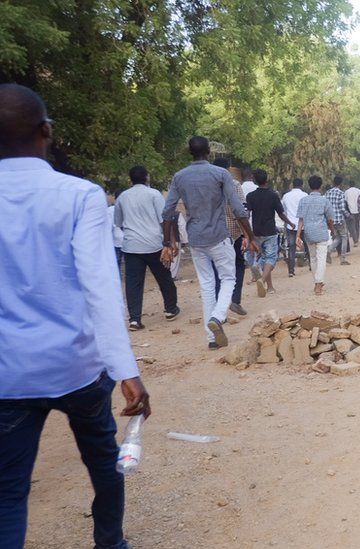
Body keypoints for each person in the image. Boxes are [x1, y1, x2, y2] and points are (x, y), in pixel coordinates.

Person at [0, 83, 152, 549]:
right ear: (46, 131)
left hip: (8, 375)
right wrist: (127, 371)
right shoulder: (81, 196)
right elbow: (101, 288)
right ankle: (111, 543)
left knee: (7, 493)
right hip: (79, 367)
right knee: (106, 464)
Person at [163, 136, 258, 350]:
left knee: (207, 286)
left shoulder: (179, 177)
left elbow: (167, 212)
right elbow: (237, 208)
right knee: (228, 278)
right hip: (218, 236)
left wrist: (166, 242)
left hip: (195, 239)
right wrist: (251, 236)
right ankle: (217, 317)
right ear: (209, 152)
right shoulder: (220, 173)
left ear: (190, 152)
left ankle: (212, 338)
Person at [114, 165, 180, 330]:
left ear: (131, 179)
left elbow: (118, 222)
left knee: (133, 283)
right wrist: (170, 241)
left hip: (131, 246)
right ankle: (170, 309)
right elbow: (164, 219)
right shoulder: (154, 194)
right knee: (164, 277)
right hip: (154, 244)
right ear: (147, 177)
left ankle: (134, 319)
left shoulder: (122, 197)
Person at [245, 169, 293, 297]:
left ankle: (270, 286)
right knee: (271, 258)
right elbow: (281, 214)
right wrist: (290, 223)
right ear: (267, 179)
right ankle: (262, 280)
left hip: (256, 232)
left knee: (264, 258)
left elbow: (247, 214)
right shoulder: (273, 195)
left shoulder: (250, 196)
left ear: (254, 181)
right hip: (270, 232)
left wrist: (247, 233)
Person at [211, 157, 248, 316]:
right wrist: (247, 234)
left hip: (214, 233)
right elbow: (240, 210)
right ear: (228, 169)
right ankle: (235, 300)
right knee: (238, 265)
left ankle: (218, 308)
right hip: (234, 231)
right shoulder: (234, 185)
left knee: (217, 270)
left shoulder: (208, 186)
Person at [295, 175, 336, 296]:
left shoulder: (303, 200)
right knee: (321, 258)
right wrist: (332, 231)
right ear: (320, 186)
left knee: (312, 258)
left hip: (308, 233)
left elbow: (301, 220)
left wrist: (298, 235)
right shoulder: (324, 200)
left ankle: (317, 282)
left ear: (309, 185)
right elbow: (330, 219)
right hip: (321, 232)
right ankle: (318, 284)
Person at [281, 177, 309, 278]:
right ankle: (311, 265)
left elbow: (284, 211)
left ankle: (291, 270)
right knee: (307, 245)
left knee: (291, 247)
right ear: (302, 185)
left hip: (290, 225)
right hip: (303, 225)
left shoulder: (286, 196)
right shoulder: (305, 195)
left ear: (292, 185)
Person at [325, 176, 351, 265]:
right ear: (341, 184)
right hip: (339, 219)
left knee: (338, 238)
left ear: (333, 182)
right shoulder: (340, 193)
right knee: (344, 237)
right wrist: (349, 215)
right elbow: (343, 208)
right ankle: (343, 259)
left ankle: (329, 250)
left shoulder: (327, 193)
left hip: (330, 220)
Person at [344, 180, 360, 248]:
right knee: (357, 225)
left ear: (349, 185)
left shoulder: (346, 192)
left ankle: (355, 240)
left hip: (350, 211)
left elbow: (345, 202)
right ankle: (357, 239)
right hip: (358, 210)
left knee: (351, 227)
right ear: (355, 184)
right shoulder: (358, 191)